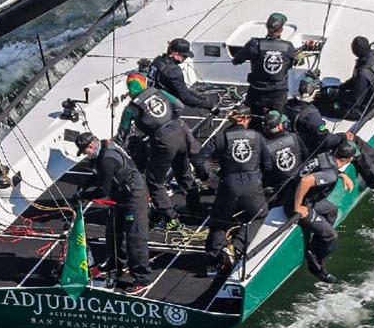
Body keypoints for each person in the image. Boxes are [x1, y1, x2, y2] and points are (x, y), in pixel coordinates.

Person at [115, 73, 202, 227]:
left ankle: (170, 218)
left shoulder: (132, 108)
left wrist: (117, 146)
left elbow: (123, 134)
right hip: (179, 131)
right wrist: (169, 120)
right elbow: (179, 106)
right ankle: (195, 207)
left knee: (154, 181)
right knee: (184, 172)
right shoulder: (157, 91)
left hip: (163, 141)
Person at [75, 131, 152, 292]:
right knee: (113, 232)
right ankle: (116, 266)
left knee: (135, 238)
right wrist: (83, 185)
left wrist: (83, 195)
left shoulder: (106, 158)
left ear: (91, 146)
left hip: (134, 195)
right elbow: (99, 174)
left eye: (85, 151)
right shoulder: (102, 149)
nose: (85, 155)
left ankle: (142, 279)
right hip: (120, 194)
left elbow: (103, 190)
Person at [200, 105, 271, 275]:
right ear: (246, 119)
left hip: (227, 186)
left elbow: (198, 158)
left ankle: (211, 263)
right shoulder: (257, 136)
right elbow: (267, 164)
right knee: (260, 214)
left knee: (219, 222)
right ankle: (235, 246)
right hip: (252, 184)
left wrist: (207, 178)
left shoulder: (220, 137)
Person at [285, 139, 355, 283]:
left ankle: (314, 245)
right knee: (331, 236)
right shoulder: (330, 175)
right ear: (349, 159)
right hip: (297, 205)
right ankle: (316, 265)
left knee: (331, 211)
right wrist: (298, 207)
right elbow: (306, 181)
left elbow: (327, 169)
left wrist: (342, 175)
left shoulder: (325, 155)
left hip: (299, 196)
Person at [231, 12, 316, 122]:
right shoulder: (288, 47)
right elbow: (295, 63)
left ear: (267, 27)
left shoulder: (254, 44)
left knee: (253, 118)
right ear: (281, 30)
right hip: (278, 93)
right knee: (276, 120)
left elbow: (236, 61)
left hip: (257, 91)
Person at [148, 38, 219, 110]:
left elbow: (183, 90)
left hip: (151, 98)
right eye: (184, 56)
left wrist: (199, 97)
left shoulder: (157, 61)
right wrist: (209, 105)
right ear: (175, 54)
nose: (185, 58)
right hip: (163, 106)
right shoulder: (173, 70)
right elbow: (186, 98)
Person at [261, 109, 307, 192]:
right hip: (301, 179)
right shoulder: (294, 137)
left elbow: (267, 172)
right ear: (279, 126)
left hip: (281, 188)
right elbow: (306, 155)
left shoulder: (265, 148)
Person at [285, 74, 332, 153]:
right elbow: (323, 136)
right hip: (303, 147)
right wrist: (341, 137)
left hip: (289, 139)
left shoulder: (288, 103)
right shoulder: (312, 114)